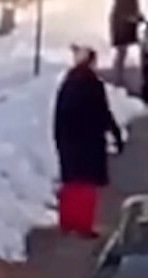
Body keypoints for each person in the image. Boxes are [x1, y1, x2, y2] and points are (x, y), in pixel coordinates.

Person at [55, 44, 126, 238]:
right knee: (87, 185)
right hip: (89, 141)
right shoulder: (92, 84)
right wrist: (115, 134)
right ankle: (83, 225)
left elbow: (59, 115)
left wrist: (60, 139)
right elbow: (103, 112)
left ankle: (68, 222)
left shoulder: (67, 83)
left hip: (68, 141)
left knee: (71, 182)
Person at [114, 0, 143, 92]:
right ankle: (118, 78)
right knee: (121, 52)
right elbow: (122, 13)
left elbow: (134, 11)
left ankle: (119, 78)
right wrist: (135, 18)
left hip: (128, 26)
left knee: (123, 52)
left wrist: (138, 17)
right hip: (121, 27)